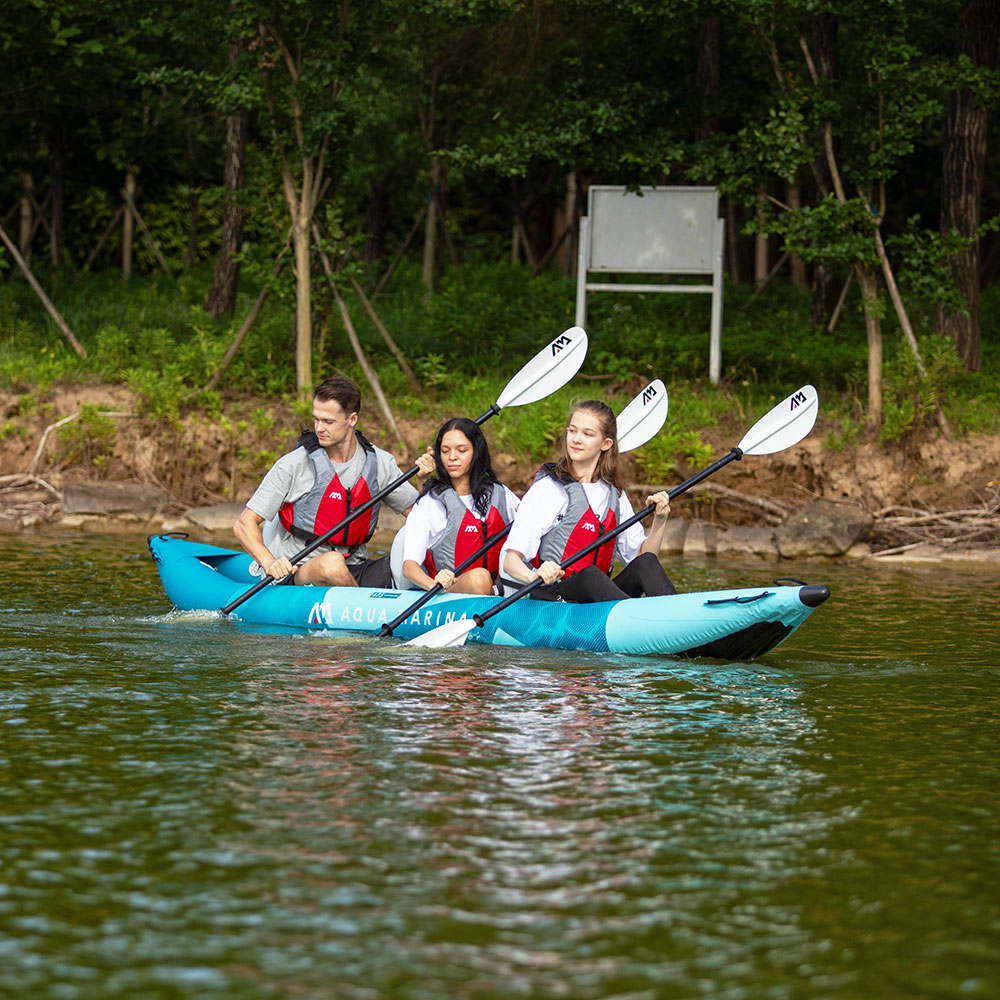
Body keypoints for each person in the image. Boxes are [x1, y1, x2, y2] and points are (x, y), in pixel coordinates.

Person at [234, 376, 422, 588]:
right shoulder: (294, 464)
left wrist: (423, 480)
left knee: (404, 562)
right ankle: (360, 603)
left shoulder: (380, 463)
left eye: (328, 422)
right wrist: (269, 562)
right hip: (302, 568)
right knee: (332, 564)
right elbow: (244, 523)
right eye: (316, 419)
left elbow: (422, 517)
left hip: (357, 566)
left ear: (352, 419)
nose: (319, 428)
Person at [499, 398, 677, 603]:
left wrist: (660, 520)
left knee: (647, 562)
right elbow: (510, 562)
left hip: (597, 601)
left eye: (587, 434)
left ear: (606, 444)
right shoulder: (548, 489)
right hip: (554, 599)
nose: (576, 439)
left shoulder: (614, 494)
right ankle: (636, 615)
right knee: (590, 575)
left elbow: (642, 556)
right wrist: (535, 576)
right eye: (572, 431)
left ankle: (677, 614)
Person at [401, 417, 520, 595]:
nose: (452, 457)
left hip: (501, 595)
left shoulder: (501, 494)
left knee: (482, 578)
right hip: (450, 595)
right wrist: (435, 585)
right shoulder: (430, 504)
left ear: (476, 452)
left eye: (462, 450)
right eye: (445, 451)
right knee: (479, 578)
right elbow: (409, 567)